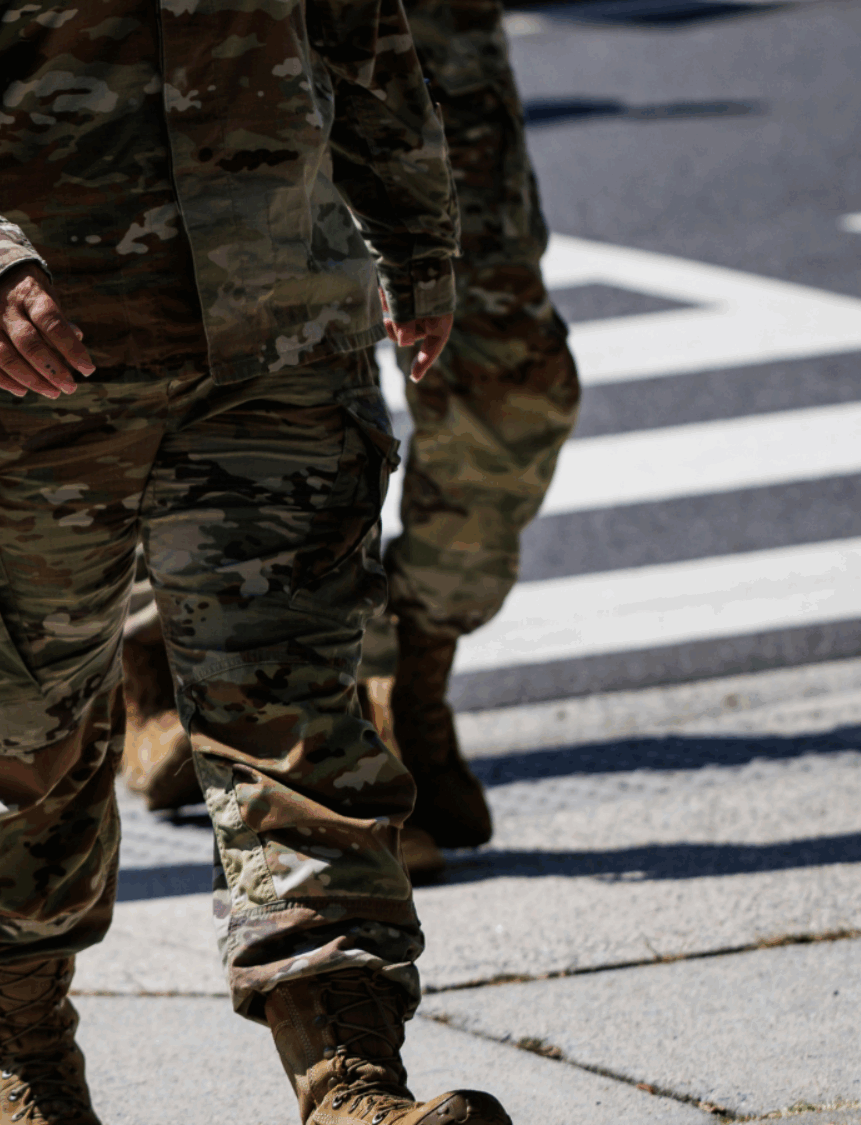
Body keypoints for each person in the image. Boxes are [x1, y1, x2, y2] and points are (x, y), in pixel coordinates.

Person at [0, 0, 510, 1122]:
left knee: (302, 719)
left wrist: (410, 217)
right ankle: (24, 1070)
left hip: (273, 331)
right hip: (19, 358)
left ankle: (350, 1080)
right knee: (25, 748)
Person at [117, 0, 584, 884]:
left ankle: (416, 661)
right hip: (232, 37)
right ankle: (339, 723)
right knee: (303, 384)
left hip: (429, 30)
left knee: (516, 379)